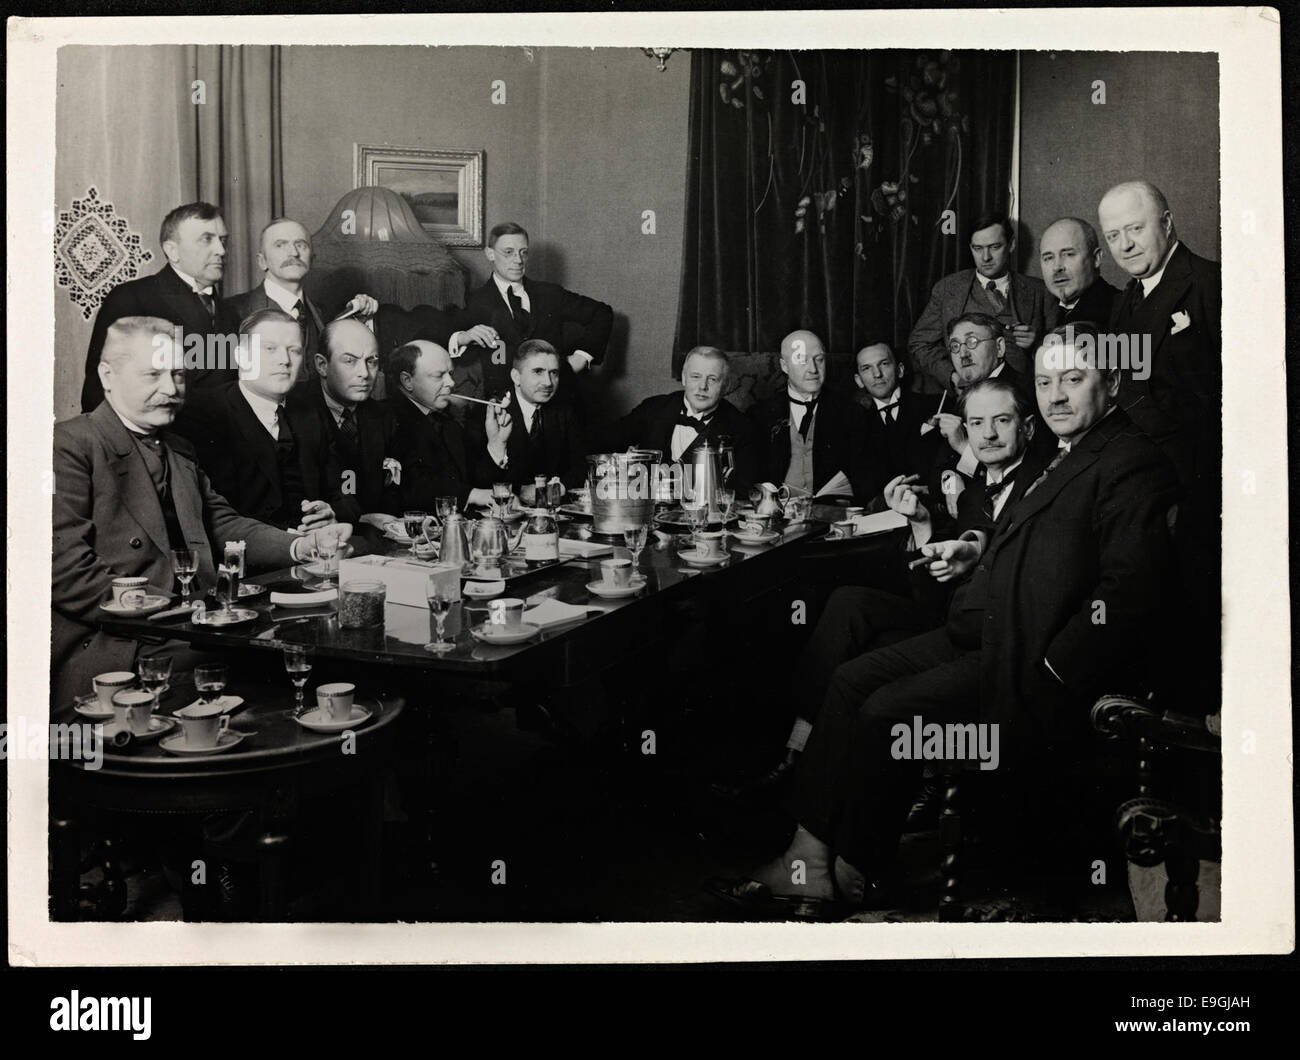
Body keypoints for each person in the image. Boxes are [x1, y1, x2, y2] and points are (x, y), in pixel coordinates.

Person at [709, 324, 1180, 918]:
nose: (1056, 395)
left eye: (1073, 379)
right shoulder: (1072, 452)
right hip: (989, 629)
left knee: (885, 709)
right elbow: (1028, 541)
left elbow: (1129, 595)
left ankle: (853, 866)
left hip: (1026, 659)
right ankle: (810, 857)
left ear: (1110, 381)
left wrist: (1052, 671)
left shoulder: (1130, 461)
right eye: (1044, 382)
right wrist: (973, 550)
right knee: (851, 680)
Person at [721, 376, 1043, 805]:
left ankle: (811, 777)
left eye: (1001, 421)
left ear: (1028, 428)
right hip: (951, 610)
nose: (988, 434)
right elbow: (932, 590)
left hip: (985, 632)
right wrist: (920, 522)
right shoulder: (974, 494)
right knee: (848, 601)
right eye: (977, 423)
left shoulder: (1040, 487)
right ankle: (797, 746)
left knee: (856, 668)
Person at [52, 316, 352, 709]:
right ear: (108, 376)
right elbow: (66, 571)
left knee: (318, 644)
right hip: (119, 643)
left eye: (178, 375)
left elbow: (221, 523)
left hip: (190, 628)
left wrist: (302, 546)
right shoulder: (68, 446)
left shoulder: (178, 448)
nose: (171, 389)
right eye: (153, 375)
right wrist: (180, 611)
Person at [1100, 180, 1221, 702]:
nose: (1124, 245)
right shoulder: (1125, 300)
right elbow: (1119, 387)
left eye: (1135, 229)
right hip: (1141, 474)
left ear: (1167, 223)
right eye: (1113, 236)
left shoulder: (1210, 284)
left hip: (1198, 484)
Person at [171, 308, 342, 530]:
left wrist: (331, 513)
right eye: (270, 349)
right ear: (241, 356)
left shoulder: (312, 414)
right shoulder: (202, 413)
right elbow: (211, 515)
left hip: (317, 542)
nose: (284, 360)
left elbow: (343, 491)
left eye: (294, 350)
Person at [81, 202, 240, 411]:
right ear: (172, 251)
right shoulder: (132, 298)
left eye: (223, 240)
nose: (221, 250)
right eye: (206, 239)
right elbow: (98, 391)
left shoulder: (230, 313)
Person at [460, 222, 614, 398]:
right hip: (504, 402)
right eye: (508, 252)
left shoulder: (550, 294)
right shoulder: (473, 301)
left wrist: (582, 357)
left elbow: (602, 313)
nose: (518, 260)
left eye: (523, 252)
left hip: (556, 399)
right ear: (490, 254)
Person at [907, 213, 1047, 391]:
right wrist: (952, 376)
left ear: (1011, 245)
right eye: (978, 248)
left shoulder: (1040, 290)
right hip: (970, 397)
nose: (986, 257)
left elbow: (1062, 351)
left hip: (1023, 396)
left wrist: (1037, 343)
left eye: (994, 247)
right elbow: (919, 343)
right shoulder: (948, 289)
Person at [226, 217, 379, 376]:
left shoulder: (326, 316)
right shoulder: (232, 312)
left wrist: (360, 322)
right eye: (280, 245)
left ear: (312, 259)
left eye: (301, 245)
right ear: (262, 261)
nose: (294, 253)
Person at [601, 346, 759, 491]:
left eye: (712, 379)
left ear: (726, 385)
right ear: (684, 378)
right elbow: (603, 443)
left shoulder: (742, 427)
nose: (702, 386)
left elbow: (743, 489)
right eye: (695, 376)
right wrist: (619, 463)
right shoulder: (653, 408)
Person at [385, 339, 513, 512]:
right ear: (407, 381)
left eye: (450, 374)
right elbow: (412, 487)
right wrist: (472, 495)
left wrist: (497, 444)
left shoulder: (447, 422)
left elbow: (474, 481)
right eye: (439, 376)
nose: (451, 383)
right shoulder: (386, 420)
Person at [748, 330, 875, 503]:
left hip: (834, 512)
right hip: (776, 513)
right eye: (802, 360)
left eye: (819, 359)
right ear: (785, 366)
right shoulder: (758, 415)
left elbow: (866, 479)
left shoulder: (853, 413)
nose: (813, 369)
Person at [299, 318, 401, 527]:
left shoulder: (383, 416)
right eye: (349, 361)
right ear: (322, 365)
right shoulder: (295, 413)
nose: (364, 373)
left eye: (371, 361)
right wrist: (358, 519)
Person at [467, 338, 588, 489]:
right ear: (516, 377)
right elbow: (476, 479)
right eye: (538, 372)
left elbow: (581, 467)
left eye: (553, 373)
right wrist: (519, 490)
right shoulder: (487, 413)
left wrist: (555, 490)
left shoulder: (565, 411)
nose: (548, 382)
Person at [851, 341, 940, 502]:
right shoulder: (853, 423)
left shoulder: (934, 405)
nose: (877, 374)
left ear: (900, 370)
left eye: (884, 364)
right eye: (867, 368)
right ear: (859, 380)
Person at [1039, 217, 1119, 329]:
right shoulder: (1043, 311)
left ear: (1096, 258)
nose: (1057, 267)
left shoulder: (1121, 311)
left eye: (1069, 254)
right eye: (1048, 258)